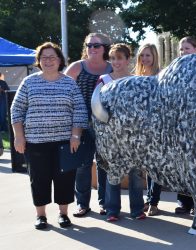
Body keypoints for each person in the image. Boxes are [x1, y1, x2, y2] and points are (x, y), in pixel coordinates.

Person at [11, 42, 88, 229]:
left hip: (64, 142)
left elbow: (80, 111)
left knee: (64, 179)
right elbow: (16, 109)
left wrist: (75, 136)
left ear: (60, 60)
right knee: (39, 179)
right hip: (35, 142)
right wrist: (18, 136)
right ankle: (41, 215)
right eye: (44, 57)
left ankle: (63, 214)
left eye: (52, 57)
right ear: (38, 61)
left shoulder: (69, 83)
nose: (48, 61)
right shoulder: (29, 82)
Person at [97, 43, 146, 221]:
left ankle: (137, 209)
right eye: (112, 58)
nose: (115, 62)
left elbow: (143, 107)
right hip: (111, 138)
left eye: (119, 58)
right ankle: (112, 210)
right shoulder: (103, 80)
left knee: (135, 174)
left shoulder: (137, 80)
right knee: (113, 173)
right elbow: (98, 106)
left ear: (127, 59)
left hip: (133, 137)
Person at [65, 33, 113, 217]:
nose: (92, 48)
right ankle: (82, 204)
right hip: (81, 125)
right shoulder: (77, 67)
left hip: (106, 127)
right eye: (89, 45)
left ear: (104, 49)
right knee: (83, 165)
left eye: (96, 45)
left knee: (104, 165)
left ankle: (105, 203)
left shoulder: (112, 68)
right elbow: (65, 94)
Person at [173, 36, 196, 215]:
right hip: (179, 125)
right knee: (182, 166)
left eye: (187, 48)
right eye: (181, 49)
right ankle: (184, 202)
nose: (183, 52)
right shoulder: (175, 69)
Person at [135, 43, 162, 216]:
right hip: (140, 128)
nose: (145, 59)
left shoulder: (161, 75)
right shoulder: (135, 77)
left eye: (148, 55)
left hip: (158, 127)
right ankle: (148, 199)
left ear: (154, 57)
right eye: (142, 55)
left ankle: (154, 202)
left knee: (156, 167)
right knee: (146, 166)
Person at [0, 72, 9, 156]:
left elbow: (8, 91)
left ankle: (4, 129)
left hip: (2, 102)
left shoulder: (3, 83)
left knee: (2, 116)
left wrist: (2, 90)